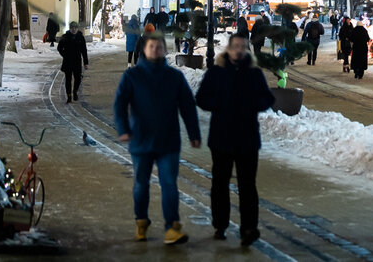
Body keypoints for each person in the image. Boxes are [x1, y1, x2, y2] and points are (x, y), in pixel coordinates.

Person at [113, 34, 202, 245]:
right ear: (144, 49)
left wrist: (194, 134)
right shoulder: (132, 76)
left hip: (168, 140)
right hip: (141, 140)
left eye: (159, 46)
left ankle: (172, 227)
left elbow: (187, 107)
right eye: (151, 46)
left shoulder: (175, 77)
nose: (155, 50)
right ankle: (141, 222)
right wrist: (123, 129)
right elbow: (120, 104)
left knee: (169, 183)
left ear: (164, 49)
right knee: (141, 184)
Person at [195, 34, 275, 246]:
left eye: (243, 47)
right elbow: (201, 97)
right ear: (228, 49)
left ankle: (249, 228)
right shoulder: (216, 72)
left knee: (247, 185)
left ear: (247, 50)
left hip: (247, 137)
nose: (239, 50)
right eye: (235, 46)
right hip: (221, 136)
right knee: (220, 184)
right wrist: (219, 104)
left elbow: (268, 98)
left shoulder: (254, 73)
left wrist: (253, 105)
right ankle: (219, 224)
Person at [57, 21, 88, 102]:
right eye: (72, 28)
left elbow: (84, 50)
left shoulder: (80, 37)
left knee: (78, 78)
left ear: (77, 28)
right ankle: (69, 96)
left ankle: (75, 92)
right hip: (68, 62)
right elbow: (59, 48)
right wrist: (65, 55)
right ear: (70, 28)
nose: (74, 29)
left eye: (75, 28)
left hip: (77, 61)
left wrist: (86, 63)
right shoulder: (65, 37)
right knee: (68, 79)